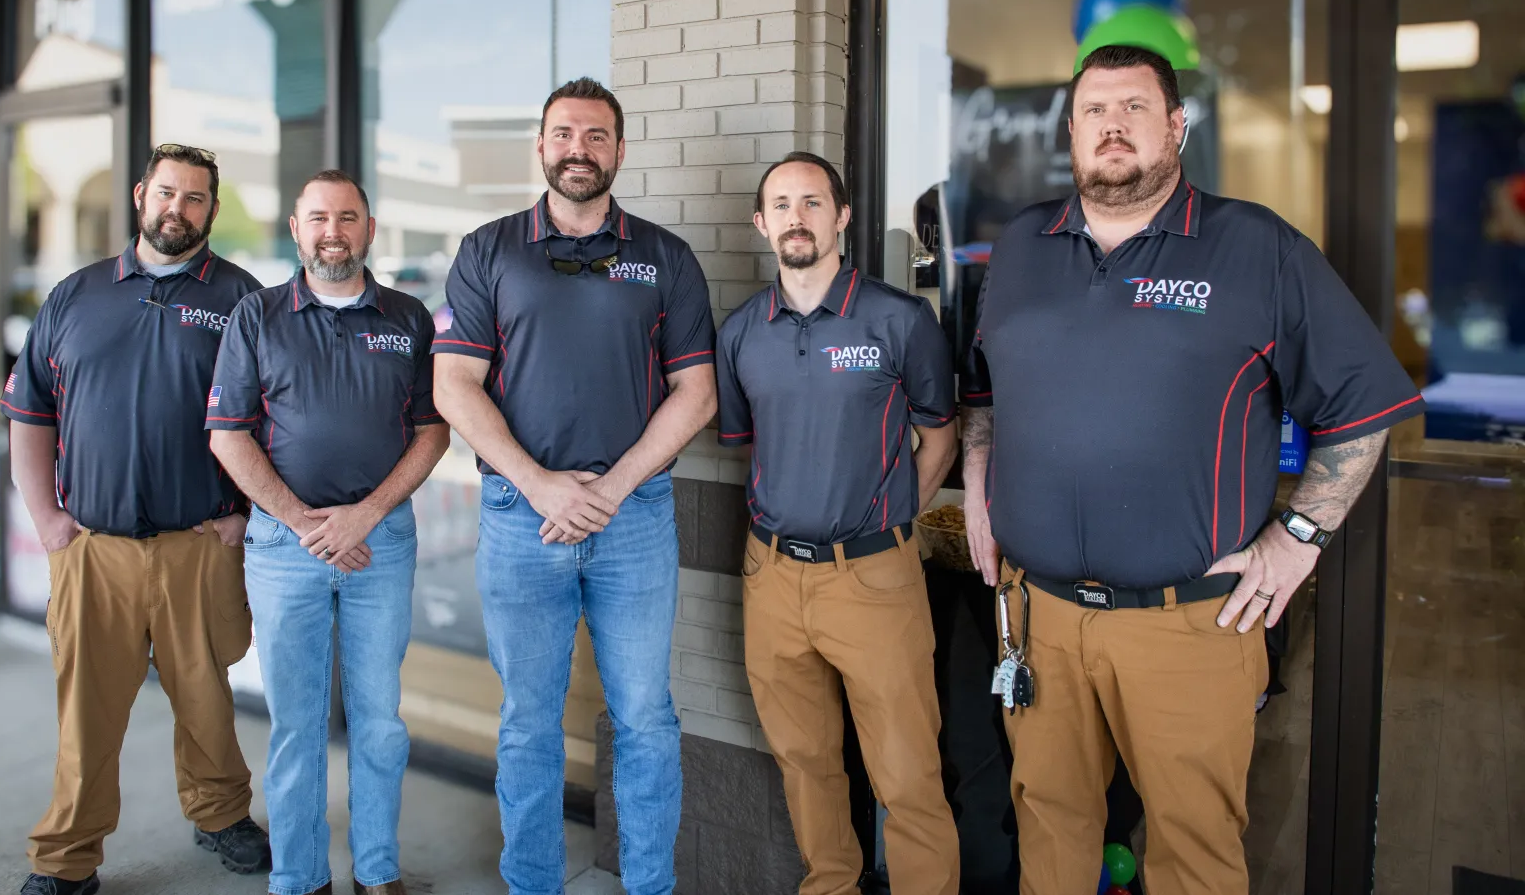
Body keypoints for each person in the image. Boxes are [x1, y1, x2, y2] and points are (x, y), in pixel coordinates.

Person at [959, 43, 1425, 895]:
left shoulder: (1257, 248)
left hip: (1188, 627)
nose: (1113, 126)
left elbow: (1365, 407)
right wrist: (980, 484)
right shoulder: (1022, 246)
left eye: (1135, 107)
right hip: (1040, 622)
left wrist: (1298, 538)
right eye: (1095, 110)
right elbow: (984, 387)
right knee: (1049, 832)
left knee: (1194, 857)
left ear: (1177, 126)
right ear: (1069, 132)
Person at [432, 78, 716, 895]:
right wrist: (542, 485)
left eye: (596, 135)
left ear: (620, 151)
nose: (578, 148)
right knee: (528, 724)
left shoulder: (665, 257)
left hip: (634, 521)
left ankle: (649, 885)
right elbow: (456, 385)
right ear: (542, 146)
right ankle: (532, 884)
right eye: (564, 134)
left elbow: (695, 393)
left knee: (646, 720)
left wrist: (612, 488)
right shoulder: (489, 251)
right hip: (523, 520)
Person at [1, 143, 270, 895]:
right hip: (94, 548)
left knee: (206, 698)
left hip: (198, 543)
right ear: (140, 195)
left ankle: (220, 815)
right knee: (86, 717)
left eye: (194, 198)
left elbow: (273, 418)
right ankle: (66, 859)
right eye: (166, 193)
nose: (176, 210)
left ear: (213, 211)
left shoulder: (245, 301)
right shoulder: (75, 295)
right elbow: (31, 414)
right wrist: (48, 521)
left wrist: (243, 513)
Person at [714, 152, 962, 895]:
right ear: (762, 223)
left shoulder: (898, 318)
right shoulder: (741, 332)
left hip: (874, 577)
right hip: (772, 578)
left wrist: (887, 523)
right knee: (805, 760)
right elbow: (747, 442)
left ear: (842, 216)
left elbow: (940, 435)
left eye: (813, 202)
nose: (798, 216)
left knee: (907, 771)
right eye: (782, 204)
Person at [208, 170, 449, 895]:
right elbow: (228, 435)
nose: (333, 231)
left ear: (369, 228)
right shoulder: (256, 317)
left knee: (379, 722)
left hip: (381, 543)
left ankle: (376, 872)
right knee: (296, 727)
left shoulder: (409, 317)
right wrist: (303, 522)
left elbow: (432, 434)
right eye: (318, 217)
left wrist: (364, 514)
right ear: (295, 228)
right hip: (286, 550)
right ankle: (300, 875)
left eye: (347, 216)